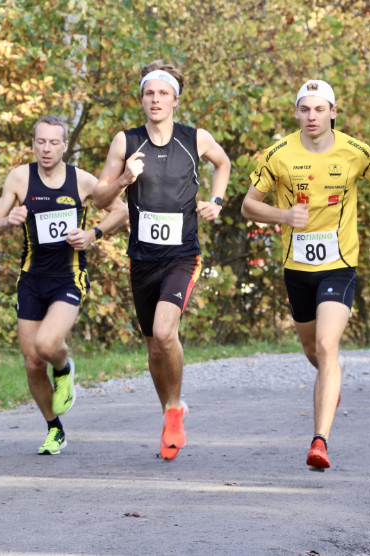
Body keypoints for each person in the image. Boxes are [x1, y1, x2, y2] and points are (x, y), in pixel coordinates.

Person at [240, 80, 370, 470]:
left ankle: (319, 442)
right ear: (296, 113)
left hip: (340, 263)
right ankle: (331, 383)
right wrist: (282, 215)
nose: (312, 116)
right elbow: (247, 205)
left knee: (328, 346)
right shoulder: (277, 154)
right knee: (313, 351)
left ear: (333, 112)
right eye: (305, 109)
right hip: (297, 268)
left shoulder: (354, 151)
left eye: (319, 109)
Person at [91, 61, 232, 461]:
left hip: (183, 255)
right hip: (142, 258)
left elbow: (223, 163)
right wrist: (122, 181)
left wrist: (217, 201)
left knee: (165, 332)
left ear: (175, 99)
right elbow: (99, 199)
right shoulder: (125, 142)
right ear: (141, 99)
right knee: (154, 347)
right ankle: (170, 410)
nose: (155, 100)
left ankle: (174, 412)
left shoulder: (195, 138)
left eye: (163, 93)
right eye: (149, 93)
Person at [0, 115, 130, 455]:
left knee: (48, 344)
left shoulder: (81, 180)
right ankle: (54, 428)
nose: (46, 149)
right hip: (31, 278)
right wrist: (8, 220)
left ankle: (64, 368)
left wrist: (93, 234)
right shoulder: (20, 178)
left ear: (65, 145)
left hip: (69, 275)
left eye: (54, 142)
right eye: (41, 142)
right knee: (33, 361)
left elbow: (120, 211)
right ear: (33, 144)